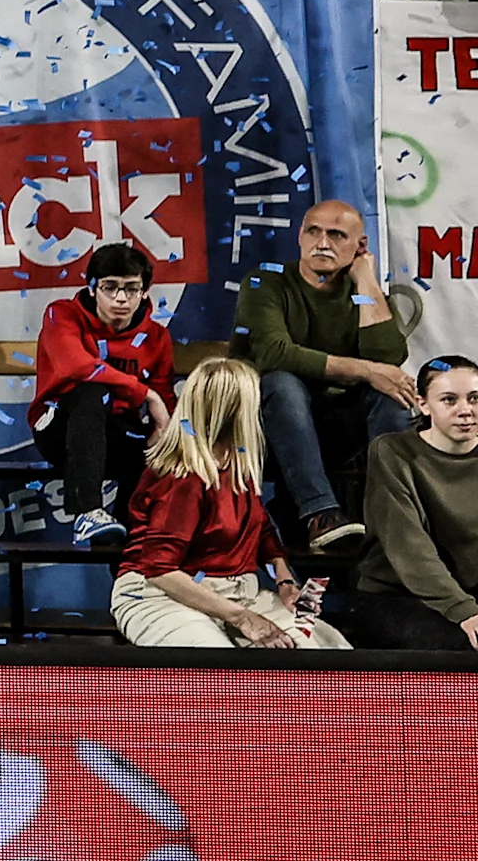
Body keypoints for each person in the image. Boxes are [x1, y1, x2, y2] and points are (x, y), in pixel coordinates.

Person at [112, 357, 351, 651]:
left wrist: (284, 582)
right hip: (160, 594)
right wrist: (243, 619)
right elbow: (160, 569)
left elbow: (261, 531)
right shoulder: (183, 476)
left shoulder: (237, 463)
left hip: (237, 592)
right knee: (218, 666)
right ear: (237, 412)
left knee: (320, 649)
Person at [236, 199, 415, 557]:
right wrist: (364, 370)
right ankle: (321, 514)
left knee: (392, 396)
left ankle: (394, 516)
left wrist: (365, 278)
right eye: (313, 232)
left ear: (359, 246)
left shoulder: (362, 292)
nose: (322, 243)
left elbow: (388, 360)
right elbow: (274, 353)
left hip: (339, 430)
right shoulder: (264, 282)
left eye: (337, 235)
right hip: (269, 431)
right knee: (282, 382)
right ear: (300, 236)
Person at [31, 239, 173, 544]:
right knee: (91, 391)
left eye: (131, 288)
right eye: (110, 287)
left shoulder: (157, 337)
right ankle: (87, 512)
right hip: (60, 429)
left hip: (119, 433)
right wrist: (146, 394)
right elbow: (76, 367)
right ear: (93, 288)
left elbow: (165, 397)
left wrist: (165, 431)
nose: (120, 298)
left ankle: (127, 557)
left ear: (145, 292)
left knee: (153, 448)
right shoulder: (61, 315)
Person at [355, 355, 478, 648]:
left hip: (469, 591)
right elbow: (409, 546)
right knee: (457, 645)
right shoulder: (393, 453)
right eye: (449, 400)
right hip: (398, 596)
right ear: (424, 405)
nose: (466, 411)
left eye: (474, 399)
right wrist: (465, 611)